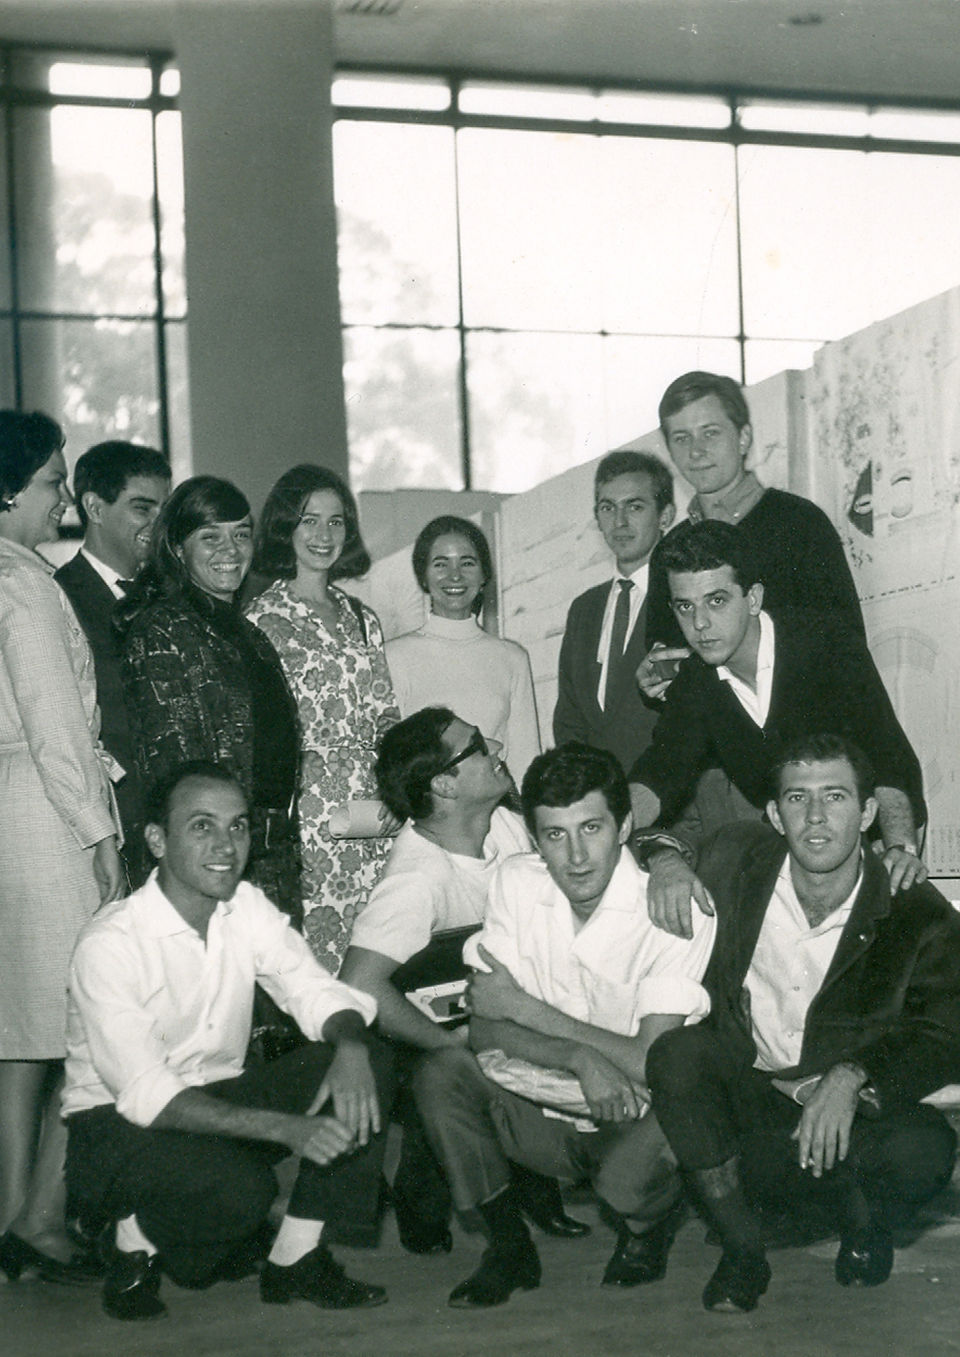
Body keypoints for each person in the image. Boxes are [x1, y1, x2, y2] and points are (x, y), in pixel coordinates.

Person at [63, 761, 395, 1322]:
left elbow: (310, 988)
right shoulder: (110, 943)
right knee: (241, 1194)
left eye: (237, 826)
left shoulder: (245, 907)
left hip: (214, 1100)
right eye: (202, 826)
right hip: (116, 1128)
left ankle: (294, 1261)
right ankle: (130, 1233)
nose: (226, 845)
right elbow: (148, 1096)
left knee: (372, 1059)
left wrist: (351, 1044)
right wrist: (287, 1128)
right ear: (156, 840)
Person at [646, 734, 960, 1314]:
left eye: (835, 797)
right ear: (772, 812)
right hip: (751, 1093)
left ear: (867, 813)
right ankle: (743, 1248)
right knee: (676, 1054)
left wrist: (851, 1076)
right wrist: (664, 860)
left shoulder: (916, 909)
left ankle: (864, 1222)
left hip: (844, 1112)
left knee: (926, 1147)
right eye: (797, 799)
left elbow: (944, 1036)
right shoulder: (737, 861)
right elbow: (654, 828)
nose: (815, 819)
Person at [413, 743, 716, 1309]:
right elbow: (483, 1030)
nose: (576, 856)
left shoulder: (675, 907)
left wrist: (524, 1011)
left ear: (625, 826)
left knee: (628, 1182)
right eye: (555, 835)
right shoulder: (516, 882)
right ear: (534, 840)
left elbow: (652, 1059)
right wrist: (581, 1058)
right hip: (545, 1104)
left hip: (635, 1111)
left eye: (592, 828)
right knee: (441, 1071)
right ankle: (508, 1248)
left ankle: (646, 1230)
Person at [341, 707, 579, 1254]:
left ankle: (536, 1188)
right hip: (423, 1035)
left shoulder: (506, 824)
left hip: (496, 1009)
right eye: (476, 746)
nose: (496, 744)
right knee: (449, 1073)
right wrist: (445, 1042)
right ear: (444, 784)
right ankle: (421, 1205)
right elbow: (359, 984)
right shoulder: (416, 879)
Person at [628, 520, 926, 935]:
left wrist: (899, 848)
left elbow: (887, 755)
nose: (699, 624)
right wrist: (605, 827)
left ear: (753, 598)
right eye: (684, 606)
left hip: (877, 841)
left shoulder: (826, 643)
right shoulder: (696, 683)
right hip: (799, 854)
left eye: (716, 601)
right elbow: (662, 771)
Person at [0, 410, 123, 1284]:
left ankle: (11, 1218)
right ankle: (43, 1219)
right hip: (47, 815)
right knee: (81, 1026)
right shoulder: (24, 582)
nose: (63, 495)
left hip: (9, 811)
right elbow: (55, 725)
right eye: (51, 480)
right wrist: (99, 830)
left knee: (19, 1038)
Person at [118, 476, 302, 925]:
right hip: (208, 859)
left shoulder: (250, 633)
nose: (231, 550)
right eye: (210, 537)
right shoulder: (162, 629)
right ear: (178, 549)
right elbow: (175, 771)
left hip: (267, 856)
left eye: (240, 534)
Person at [246, 464, 400, 968]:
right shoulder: (259, 620)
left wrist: (400, 792)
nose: (323, 535)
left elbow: (386, 716)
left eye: (336, 522)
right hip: (309, 813)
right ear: (285, 526)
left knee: (379, 946)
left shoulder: (362, 617)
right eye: (309, 520)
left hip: (376, 808)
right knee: (319, 954)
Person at [642, 370, 864, 669]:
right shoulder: (668, 553)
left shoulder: (800, 523)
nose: (696, 451)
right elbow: (667, 659)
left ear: (744, 437)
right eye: (682, 438)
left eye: (710, 433)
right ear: (669, 450)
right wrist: (655, 680)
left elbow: (845, 646)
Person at [54, 440, 170, 883]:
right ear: (94, 508)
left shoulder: (171, 595)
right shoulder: (58, 597)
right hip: (111, 827)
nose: (158, 524)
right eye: (143, 509)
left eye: (164, 509)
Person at [386, 514, 540, 785]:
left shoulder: (512, 658)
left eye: (467, 563)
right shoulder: (392, 656)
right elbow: (389, 758)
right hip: (422, 815)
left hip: (496, 816)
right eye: (440, 564)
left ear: (484, 576)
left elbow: (526, 761)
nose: (454, 575)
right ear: (423, 576)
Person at [554, 450, 674, 774]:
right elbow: (569, 718)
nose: (619, 522)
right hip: (600, 801)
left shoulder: (682, 599)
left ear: (665, 516)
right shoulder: (584, 609)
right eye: (608, 508)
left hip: (670, 799)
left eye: (634, 506)